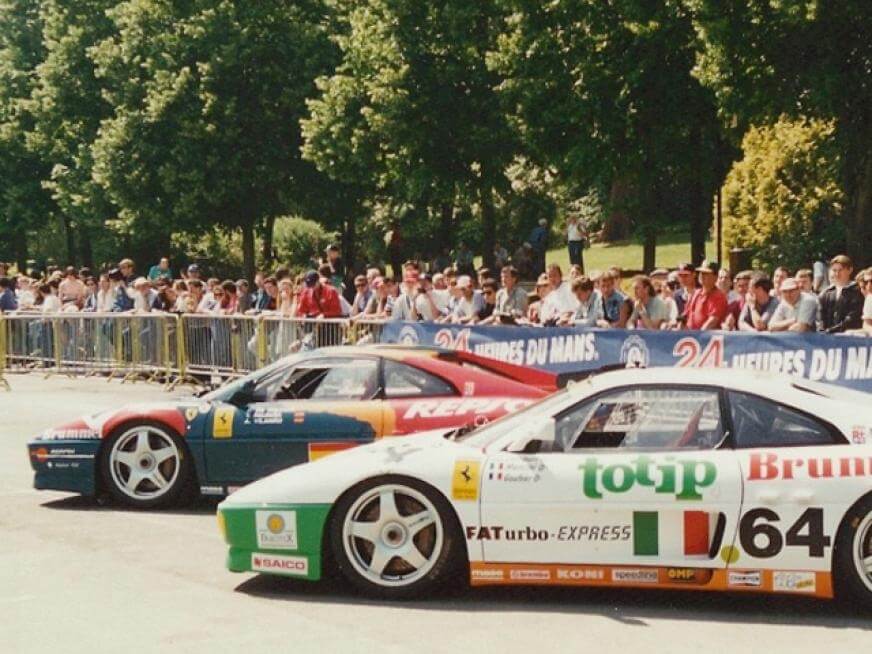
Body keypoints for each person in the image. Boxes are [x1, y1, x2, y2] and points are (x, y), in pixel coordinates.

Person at [818, 254, 864, 333]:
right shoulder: (826, 293)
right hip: (827, 338)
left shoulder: (858, 291)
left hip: (850, 337)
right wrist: (822, 331)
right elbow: (821, 317)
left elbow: (852, 318)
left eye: (840, 270)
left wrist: (830, 331)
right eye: (834, 270)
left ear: (850, 270)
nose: (837, 274)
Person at [683, 260, 728, 330]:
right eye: (701, 273)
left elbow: (712, 322)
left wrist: (699, 336)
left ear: (715, 277)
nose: (701, 275)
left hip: (705, 337)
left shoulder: (718, 297)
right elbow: (685, 315)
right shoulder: (695, 293)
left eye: (706, 273)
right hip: (689, 336)